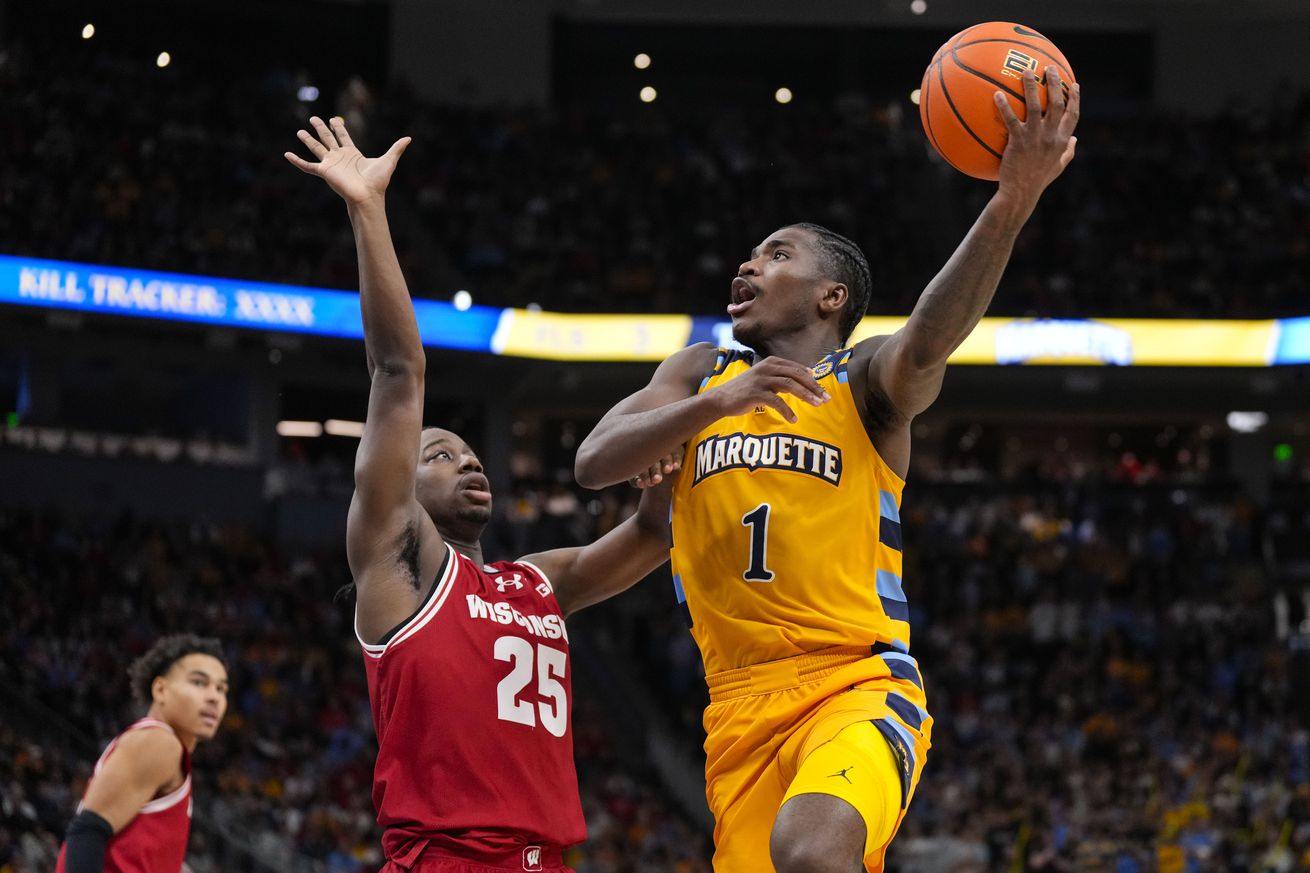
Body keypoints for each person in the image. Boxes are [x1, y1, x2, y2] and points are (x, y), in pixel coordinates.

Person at [574, 68, 1080, 872]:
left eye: (775, 255)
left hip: (856, 680)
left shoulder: (865, 381)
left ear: (829, 296)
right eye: (747, 255)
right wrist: (713, 404)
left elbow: (930, 335)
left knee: (811, 849)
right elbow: (595, 461)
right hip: (734, 707)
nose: (748, 266)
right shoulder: (698, 374)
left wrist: (1010, 199)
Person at [285, 117, 679, 873]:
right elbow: (399, 371)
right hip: (447, 858)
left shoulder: (535, 580)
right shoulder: (397, 561)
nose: (469, 465)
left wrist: (667, 444)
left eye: (473, 456)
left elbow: (652, 538)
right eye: (440, 454)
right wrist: (367, 208)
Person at [56, 634, 228, 873]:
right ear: (160, 689)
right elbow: (88, 831)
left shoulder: (162, 750)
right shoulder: (160, 742)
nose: (214, 697)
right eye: (199, 682)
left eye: (221, 688)